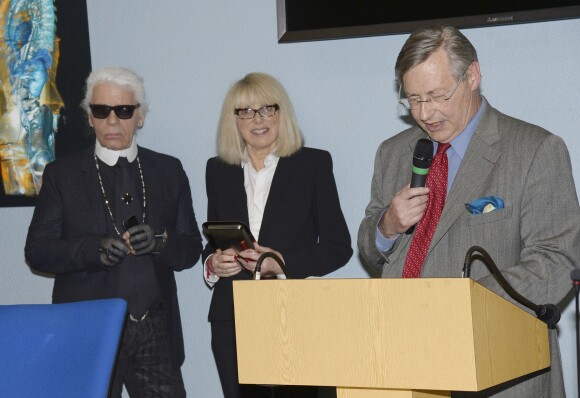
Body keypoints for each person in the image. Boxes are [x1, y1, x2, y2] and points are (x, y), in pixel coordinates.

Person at [358, 25, 580, 398]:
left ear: (473, 76)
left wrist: (461, 308)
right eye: (413, 100)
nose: (425, 113)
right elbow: (370, 249)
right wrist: (387, 226)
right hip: (402, 363)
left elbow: (556, 261)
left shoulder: (536, 150)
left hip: (500, 366)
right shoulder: (392, 153)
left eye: (437, 95)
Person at [25, 66, 203, 398]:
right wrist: (93, 250)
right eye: (101, 110)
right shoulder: (61, 175)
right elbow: (37, 251)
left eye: (123, 110)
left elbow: (191, 249)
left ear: (140, 116)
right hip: (89, 327)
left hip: (156, 330)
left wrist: (161, 242)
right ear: (89, 117)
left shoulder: (169, 170)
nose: (112, 120)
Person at [203, 72, 353, 398]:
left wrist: (280, 262)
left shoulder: (312, 164)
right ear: (234, 120)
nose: (257, 120)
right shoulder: (217, 169)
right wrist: (214, 263)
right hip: (231, 317)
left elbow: (338, 247)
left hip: (292, 315)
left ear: (281, 113)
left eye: (267, 109)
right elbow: (213, 240)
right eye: (245, 111)